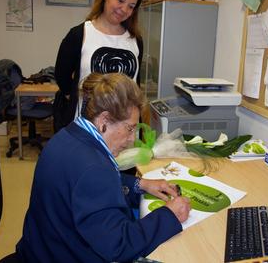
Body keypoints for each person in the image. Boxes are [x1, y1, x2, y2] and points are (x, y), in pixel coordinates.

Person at [16, 73, 191, 263]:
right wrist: (169, 215)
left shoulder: (66, 137)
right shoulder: (95, 169)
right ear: (104, 121)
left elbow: (85, 186)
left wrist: (141, 184)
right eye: (130, 128)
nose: (133, 139)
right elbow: (119, 245)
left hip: (43, 249)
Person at [53, 0, 144, 133]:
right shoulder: (79, 34)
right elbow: (62, 76)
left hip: (124, 128)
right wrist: (76, 98)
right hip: (86, 126)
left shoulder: (135, 40)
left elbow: (135, 86)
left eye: (131, 6)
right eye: (120, 0)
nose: (124, 10)